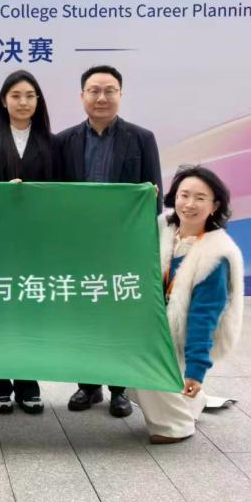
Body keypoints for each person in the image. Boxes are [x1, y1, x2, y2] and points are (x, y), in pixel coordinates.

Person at [55, 64, 163, 418]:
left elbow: (153, 198)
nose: (101, 98)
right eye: (94, 90)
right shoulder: (64, 141)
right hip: (78, 246)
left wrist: (144, 247)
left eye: (109, 90)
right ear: (82, 95)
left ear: (120, 94)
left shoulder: (141, 139)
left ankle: (119, 389)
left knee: (118, 318)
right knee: (83, 315)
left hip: (122, 247)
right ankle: (87, 386)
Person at [129, 165, 244, 443]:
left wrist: (196, 370)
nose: (189, 204)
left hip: (180, 337)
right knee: (124, 365)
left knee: (140, 367)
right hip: (154, 328)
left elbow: (204, 317)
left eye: (200, 198)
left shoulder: (216, 254)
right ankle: (189, 401)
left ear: (215, 206)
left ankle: (176, 426)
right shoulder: (162, 228)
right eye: (184, 195)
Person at [0, 70, 56, 415]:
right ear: (3, 100)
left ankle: (28, 384)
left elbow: (63, 191)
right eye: (15, 96)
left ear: (38, 101)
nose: (23, 102)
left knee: (30, 312)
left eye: (29, 95)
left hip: (37, 243)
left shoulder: (53, 143)